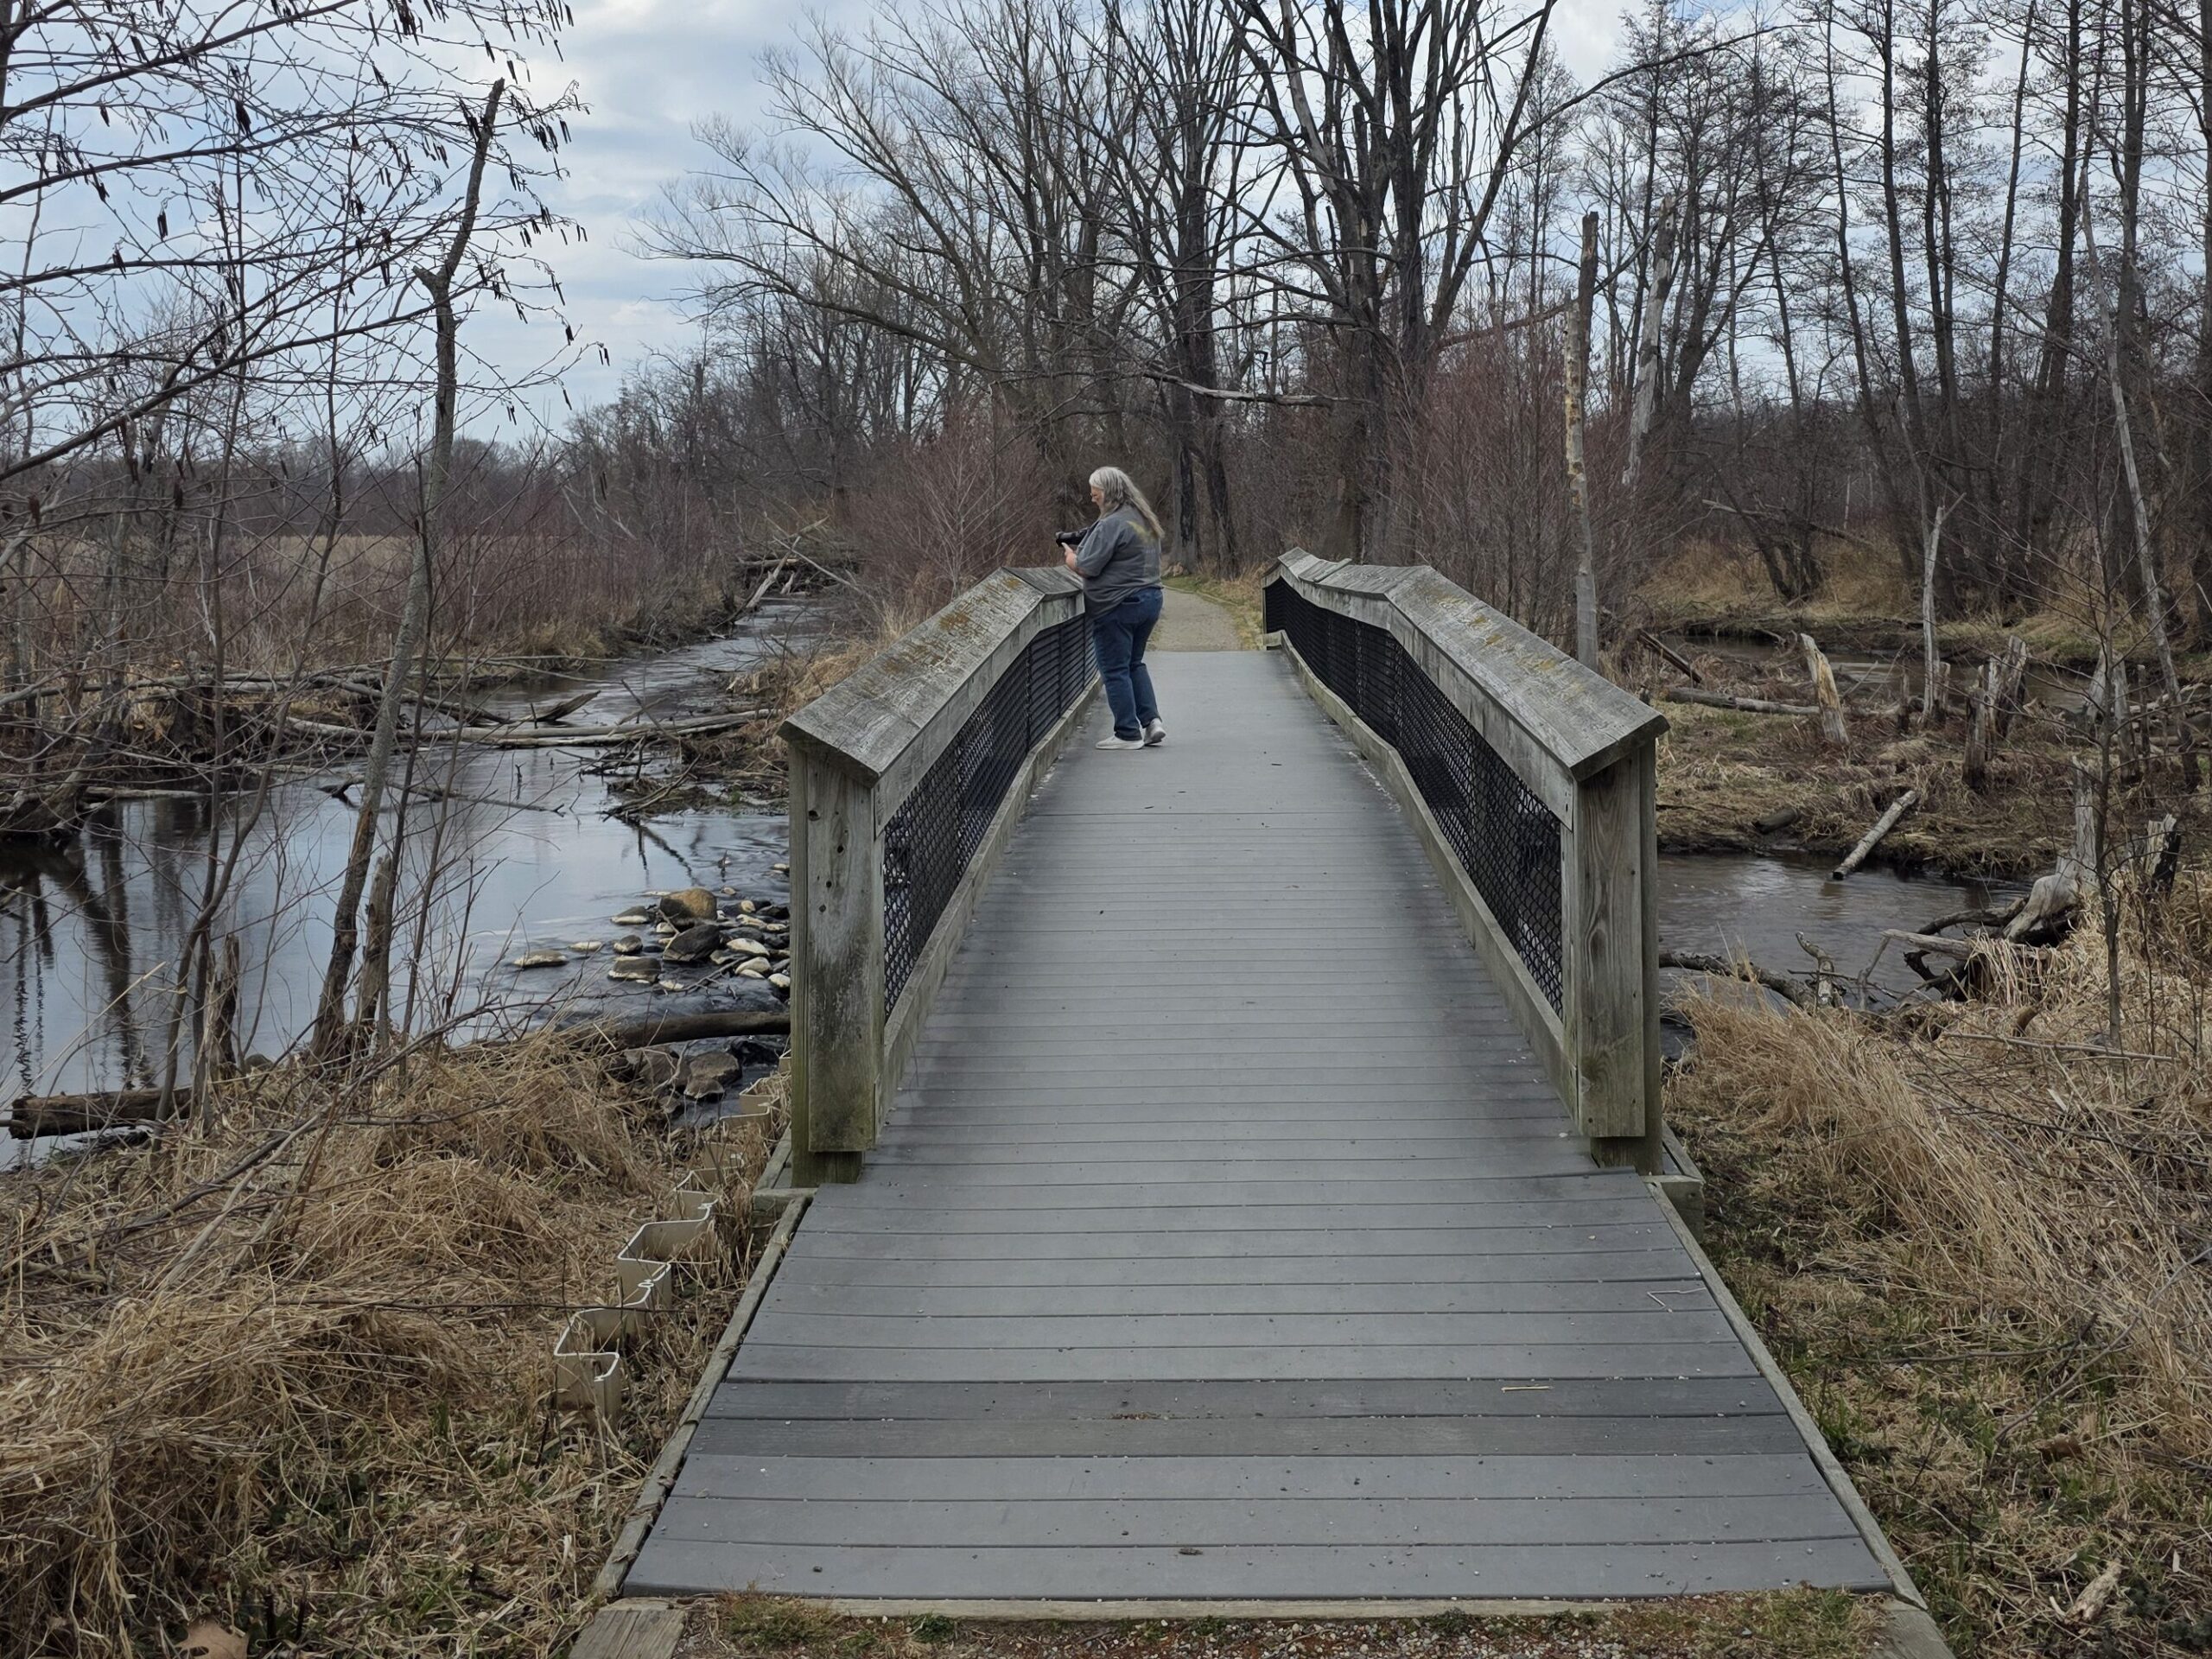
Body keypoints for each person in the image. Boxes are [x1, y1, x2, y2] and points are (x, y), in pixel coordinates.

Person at [1065, 466, 1166, 750]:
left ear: (1107, 492)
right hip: (1150, 599)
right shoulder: (1143, 519)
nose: (1091, 496)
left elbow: (1087, 567)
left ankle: (1127, 733)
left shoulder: (1111, 523)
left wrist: (1070, 558)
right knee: (1134, 663)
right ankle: (1152, 722)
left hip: (1118, 605)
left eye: (1095, 491)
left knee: (1114, 668)